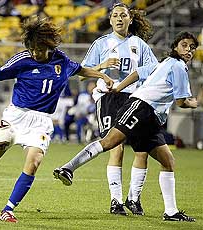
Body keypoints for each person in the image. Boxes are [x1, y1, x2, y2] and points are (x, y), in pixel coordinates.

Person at [0, 16, 114, 223]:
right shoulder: (22, 60)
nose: (36, 53)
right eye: (32, 49)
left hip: (42, 121)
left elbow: (80, 70)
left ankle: (8, 209)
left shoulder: (61, 60)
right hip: (16, 116)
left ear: (48, 45)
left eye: (39, 49)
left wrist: (102, 75)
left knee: (34, 162)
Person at [53, 31, 198, 222]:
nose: (188, 50)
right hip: (141, 108)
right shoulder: (177, 67)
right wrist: (191, 103)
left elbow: (138, 72)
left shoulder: (162, 64)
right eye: (184, 45)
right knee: (111, 142)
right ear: (175, 47)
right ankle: (68, 168)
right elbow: (180, 102)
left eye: (192, 47)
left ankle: (170, 212)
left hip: (151, 117)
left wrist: (118, 88)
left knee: (168, 161)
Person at [71, 3, 158, 215]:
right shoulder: (101, 43)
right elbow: (81, 75)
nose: (119, 18)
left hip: (135, 99)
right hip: (109, 98)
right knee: (116, 147)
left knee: (142, 150)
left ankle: (134, 199)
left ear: (130, 19)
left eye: (123, 15)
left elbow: (154, 70)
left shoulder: (140, 44)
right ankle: (116, 201)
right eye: (115, 15)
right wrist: (102, 67)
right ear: (110, 20)